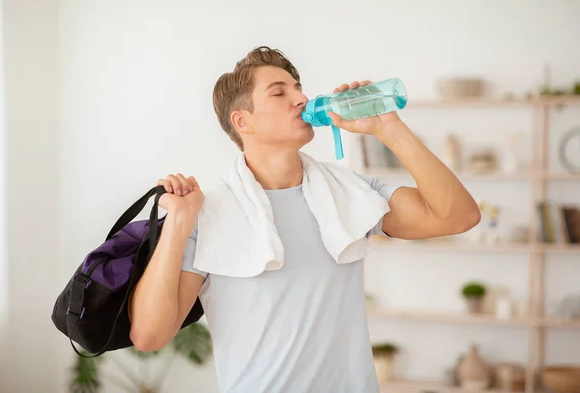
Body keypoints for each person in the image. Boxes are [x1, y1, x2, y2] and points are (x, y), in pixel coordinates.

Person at [128, 46, 480, 392]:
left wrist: (389, 128)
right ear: (242, 121)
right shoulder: (209, 216)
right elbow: (149, 335)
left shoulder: (349, 195)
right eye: (279, 92)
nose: (301, 98)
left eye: (298, 88)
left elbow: (457, 217)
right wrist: (178, 222)